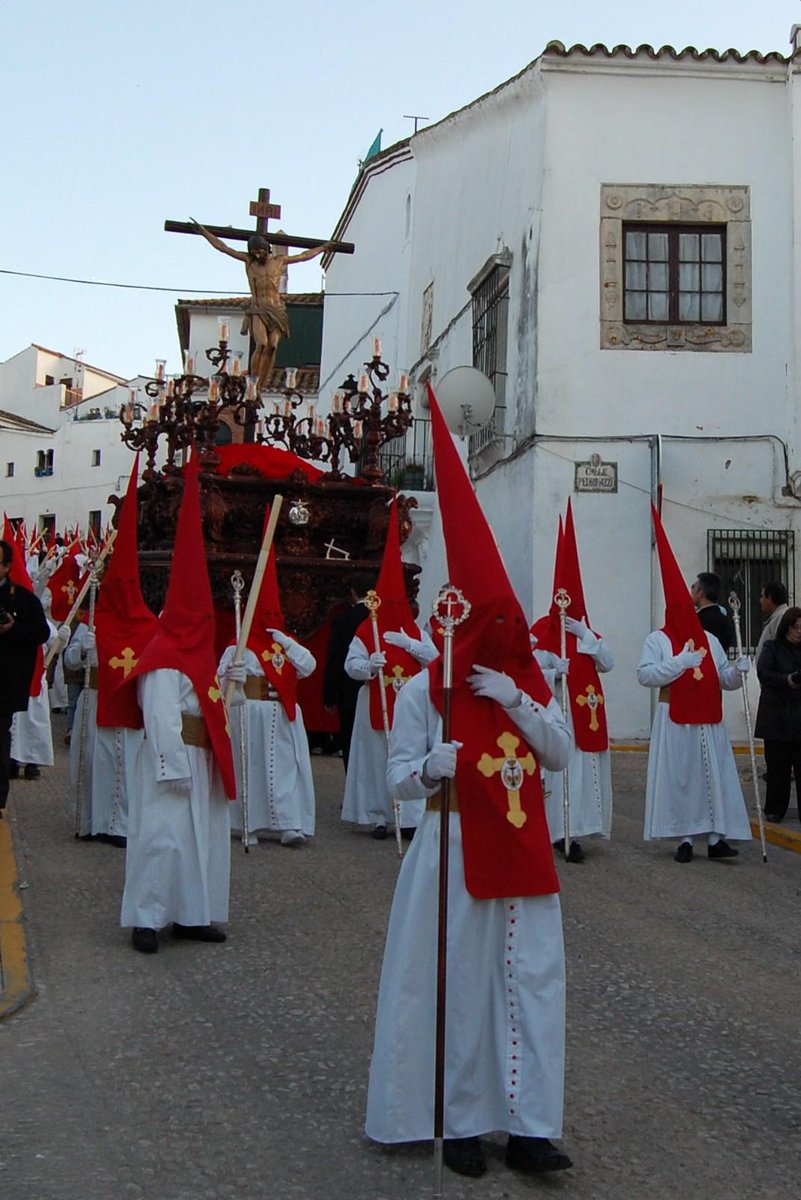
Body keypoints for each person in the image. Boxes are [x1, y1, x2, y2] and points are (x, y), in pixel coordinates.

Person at [366, 383, 573, 1180]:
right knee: (459, 988)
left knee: (531, 988)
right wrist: (429, 766)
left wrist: (517, 699)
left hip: (521, 855)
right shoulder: (426, 692)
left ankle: (528, 1124)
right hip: (452, 850)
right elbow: (396, 782)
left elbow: (556, 754)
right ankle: (457, 1119)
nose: (509, 638)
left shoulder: (518, 686)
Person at [120, 454, 237, 954]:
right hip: (174, 762)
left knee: (202, 843)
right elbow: (161, 712)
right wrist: (172, 765)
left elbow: (207, 704)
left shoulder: (199, 655)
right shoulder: (164, 656)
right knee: (162, 839)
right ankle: (147, 918)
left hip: (202, 758)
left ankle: (193, 914)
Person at [639, 511, 752, 863]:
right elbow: (645, 675)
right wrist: (678, 663)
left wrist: (738, 672)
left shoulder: (708, 639)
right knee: (684, 779)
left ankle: (717, 837)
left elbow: (722, 679)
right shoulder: (658, 639)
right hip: (675, 717)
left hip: (708, 718)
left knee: (713, 776)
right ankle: (685, 838)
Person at [191, 218, 335, 392]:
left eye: (260, 250)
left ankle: (260, 385)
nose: (257, 254)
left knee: (272, 346)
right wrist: (204, 232)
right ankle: (252, 380)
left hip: (277, 310)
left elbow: (304, 256)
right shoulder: (249, 262)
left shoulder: (279, 261)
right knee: (261, 344)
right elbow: (223, 247)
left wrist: (322, 248)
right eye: (254, 252)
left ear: (267, 249)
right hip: (258, 309)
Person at [219, 601, 317, 848]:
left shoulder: (285, 644)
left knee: (285, 769)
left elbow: (308, 667)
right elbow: (220, 677)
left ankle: (289, 824)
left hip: (282, 714)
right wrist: (233, 676)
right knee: (251, 767)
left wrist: (288, 643)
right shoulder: (238, 645)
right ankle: (246, 823)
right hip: (249, 712)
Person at [341, 622, 437, 839]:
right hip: (375, 702)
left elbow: (435, 659)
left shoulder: (416, 632)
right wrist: (370, 666)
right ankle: (379, 817)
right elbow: (351, 665)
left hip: (409, 704)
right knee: (376, 760)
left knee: (409, 756)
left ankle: (410, 819)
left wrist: (411, 644)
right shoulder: (367, 630)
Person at [0, 538, 50, 819]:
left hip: (4, 683)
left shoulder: (22, 599)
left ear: (7, 566)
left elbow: (40, 633)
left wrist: (13, 629)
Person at [755, 606, 801, 823]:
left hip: (798, 719)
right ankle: (774, 809)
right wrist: (787, 680)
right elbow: (764, 673)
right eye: (795, 627)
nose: (798, 632)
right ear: (786, 627)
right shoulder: (772, 648)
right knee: (777, 768)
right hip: (777, 718)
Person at [323, 579, 373, 768]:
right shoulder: (380, 617)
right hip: (378, 685)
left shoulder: (344, 619)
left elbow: (335, 658)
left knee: (350, 736)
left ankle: (351, 779)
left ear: (353, 592)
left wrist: (329, 696)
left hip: (348, 687)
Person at [690, 571, 735, 653]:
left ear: (700, 592)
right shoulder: (725, 620)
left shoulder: (697, 620)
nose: (690, 593)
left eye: (693, 589)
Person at [755, 581, 789, 661]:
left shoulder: (782, 618)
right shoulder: (777, 617)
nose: (760, 600)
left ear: (769, 598)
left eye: (762, 596)